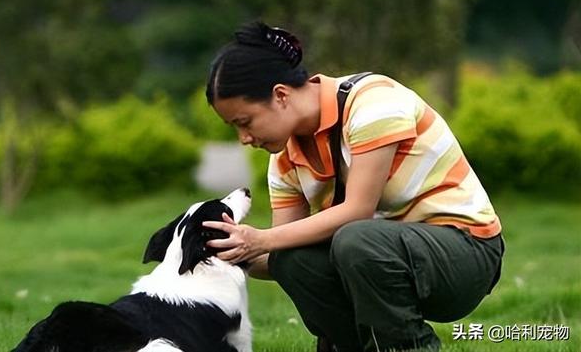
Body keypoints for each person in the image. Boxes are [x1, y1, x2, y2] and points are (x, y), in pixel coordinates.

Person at [202, 21, 504, 352]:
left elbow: (357, 211)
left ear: (281, 95)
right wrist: (218, 253)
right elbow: (279, 254)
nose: (244, 139)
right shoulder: (285, 160)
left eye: (244, 123)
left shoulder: (373, 103)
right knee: (293, 258)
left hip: (465, 254)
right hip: (382, 260)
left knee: (354, 238)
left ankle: (408, 348)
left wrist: (260, 239)